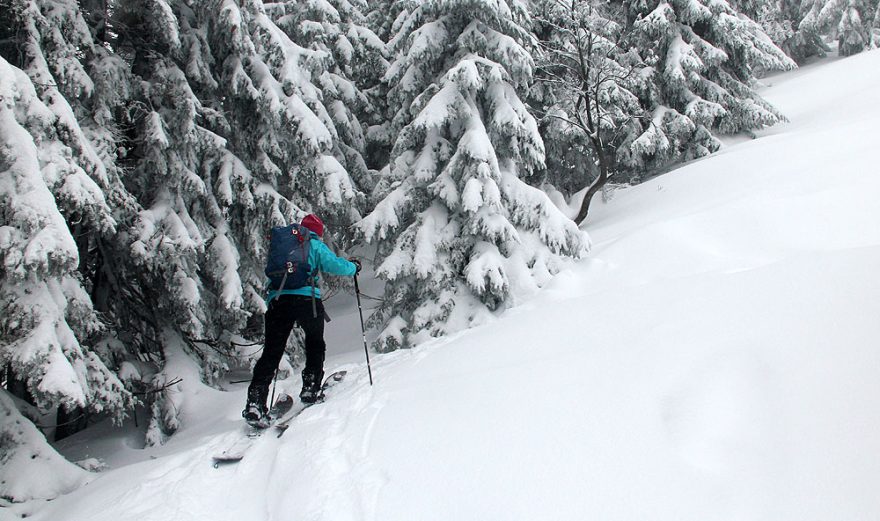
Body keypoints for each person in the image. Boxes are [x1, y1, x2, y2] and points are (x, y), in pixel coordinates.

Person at [243, 213, 361, 423]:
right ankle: (310, 388)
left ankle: (255, 402)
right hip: (308, 301)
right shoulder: (314, 244)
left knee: (272, 351)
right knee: (315, 343)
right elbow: (334, 265)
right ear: (317, 232)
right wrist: (354, 267)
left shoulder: (284, 245)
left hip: (278, 300)